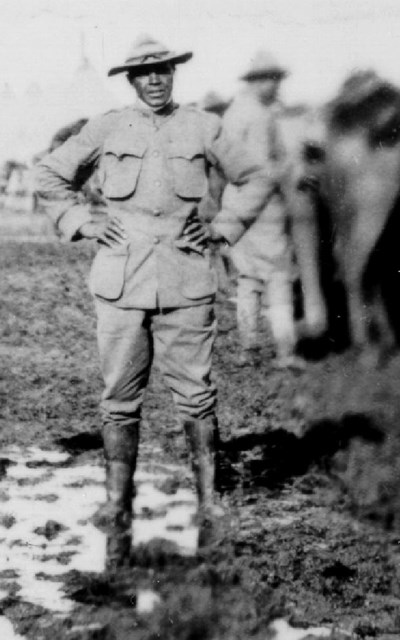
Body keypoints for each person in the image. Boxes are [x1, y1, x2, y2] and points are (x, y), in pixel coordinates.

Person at [35, 35, 273, 568]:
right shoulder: (107, 126)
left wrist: (222, 228)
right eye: (145, 73)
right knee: (119, 397)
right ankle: (118, 510)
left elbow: (256, 175)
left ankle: (210, 508)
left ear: (174, 73)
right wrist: (82, 221)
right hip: (120, 280)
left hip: (187, 278)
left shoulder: (202, 126)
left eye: (163, 70)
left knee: (197, 395)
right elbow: (48, 176)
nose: (156, 80)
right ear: (131, 80)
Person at [222, 50, 303, 369]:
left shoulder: (233, 112)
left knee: (247, 280)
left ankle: (248, 348)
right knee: (278, 277)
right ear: (260, 82)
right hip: (263, 206)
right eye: (274, 80)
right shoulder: (259, 116)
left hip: (236, 204)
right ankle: (286, 352)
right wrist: (290, 169)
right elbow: (261, 170)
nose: (278, 86)